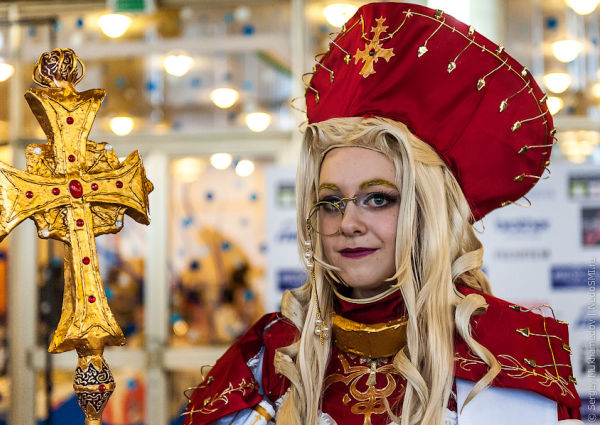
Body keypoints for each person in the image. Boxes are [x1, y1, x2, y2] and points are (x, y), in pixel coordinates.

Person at [183, 2, 582, 424]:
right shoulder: (268, 358)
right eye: (330, 202)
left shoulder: (510, 356)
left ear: (429, 214)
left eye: (378, 199)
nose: (347, 224)